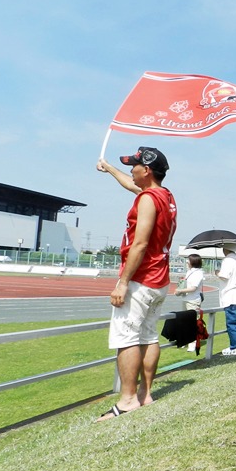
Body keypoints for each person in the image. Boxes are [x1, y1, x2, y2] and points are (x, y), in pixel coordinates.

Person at [95, 146, 177, 421]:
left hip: (141, 279)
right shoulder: (165, 196)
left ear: (147, 170)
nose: (131, 169)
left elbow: (140, 243)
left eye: (134, 165)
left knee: (127, 338)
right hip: (160, 280)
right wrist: (109, 169)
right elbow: (131, 185)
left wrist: (122, 282)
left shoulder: (146, 200)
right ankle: (146, 394)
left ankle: (128, 399)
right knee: (149, 335)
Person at [217, 242, 236, 356]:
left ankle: (235, 346)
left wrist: (217, 273)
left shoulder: (227, 260)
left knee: (232, 323)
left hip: (231, 296)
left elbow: (224, 276)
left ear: (226, 249)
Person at [174, 253, 205, 351]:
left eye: (188, 260)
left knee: (192, 322)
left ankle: (192, 344)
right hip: (186, 299)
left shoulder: (198, 273)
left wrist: (180, 291)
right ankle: (185, 341)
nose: (187, 262)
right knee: (184, 322)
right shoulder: (190, 272)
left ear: (193, 262)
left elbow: (193, 288)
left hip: (193, 300)